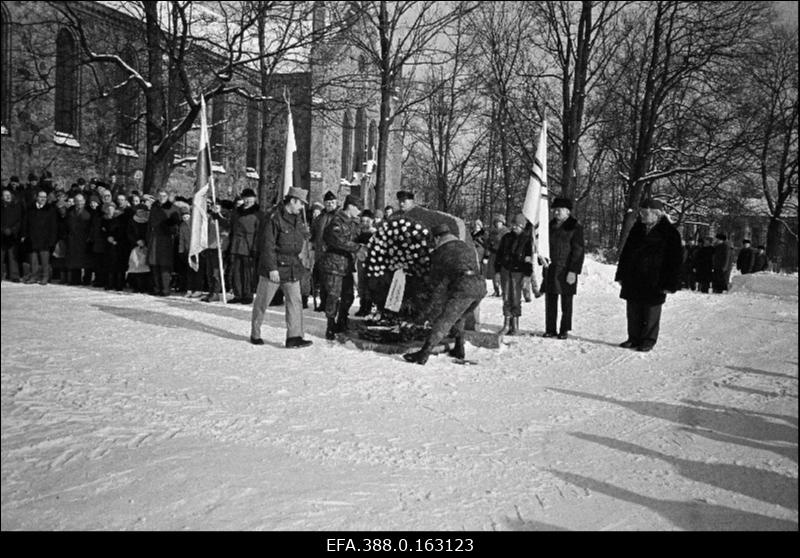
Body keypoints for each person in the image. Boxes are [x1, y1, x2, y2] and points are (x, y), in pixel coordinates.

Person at [403, 223, 487, 365]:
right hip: (480, 285)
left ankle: (424, 353)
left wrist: (427, 309)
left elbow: (436, 283)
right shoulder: (463, 246)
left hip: (464, 287)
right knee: (459, 316)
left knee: (445, 319)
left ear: (436, 238)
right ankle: (459, 348)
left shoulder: (441, 251)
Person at [614, 199, 682, 352]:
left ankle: (648, 340)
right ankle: (633, 338)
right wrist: (621, 274)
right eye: (641, 212)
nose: (642, 216)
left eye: (645, 213)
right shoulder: (637, 229)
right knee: (633, 310)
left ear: (656, 214)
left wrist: (670, 283)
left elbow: (675, 260)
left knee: (651, 311)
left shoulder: (670, 232)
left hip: (656, 279)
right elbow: (626, 253)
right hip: (634, 277)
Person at [250, 187, 313, 348]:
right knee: (262, 302)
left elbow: (299, 239)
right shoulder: (273, 218)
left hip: (292, 266)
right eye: (301, 204)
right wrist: (272, 268)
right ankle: (255, 333)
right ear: (292, 201)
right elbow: (267, 245)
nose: (302, 208)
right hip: (275, 268)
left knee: (295, 302)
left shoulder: (297, 219)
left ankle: (294, 337)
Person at [320, 194, 364, 340]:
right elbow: (337, 240)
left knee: (348, 296)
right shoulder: (336, 221)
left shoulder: (353, 223)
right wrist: (357, 247)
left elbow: (359, 235)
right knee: (333, 296)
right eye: (358, 208)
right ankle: (330, 325)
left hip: (347, 265)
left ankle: (342, 320)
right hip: (334, 264)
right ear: (350, 206)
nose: (360, 211)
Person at [541, 197, 585, 340]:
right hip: (551, 267)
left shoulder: (575, 227)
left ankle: (564, 329)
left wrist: (573, 271)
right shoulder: (549, 226)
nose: (556, 212)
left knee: (566, 301)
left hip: (566, 269)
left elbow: (578, 250)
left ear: (567, 212)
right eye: (555, 209)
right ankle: (550, 329)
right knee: (550, 300)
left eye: (559, 210)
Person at [495, 213, 533, 336]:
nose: (515, 227)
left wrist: (527, 274)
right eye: (514, 225)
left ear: (522, 226)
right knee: (506, 297)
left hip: (518, 272)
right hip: (506, 270)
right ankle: (506, 324)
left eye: (518, 225)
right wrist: (497, 271)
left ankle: (515, 325)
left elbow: (528, 258)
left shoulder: (527, 239)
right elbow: (499, 255)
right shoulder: (506, 237)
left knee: (516, 298)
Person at [226, 188, 262, 304]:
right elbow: (230, 227)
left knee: (247, 272)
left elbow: (259, 233)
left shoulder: (258, 213)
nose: (247, 200)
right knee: (236, 271)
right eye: (245, 198)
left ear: (254, 199)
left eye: (250, 198)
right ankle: (238, 294)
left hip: (249, 245)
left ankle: (247, 294)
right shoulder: (237, 212)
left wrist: (256, 248)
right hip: (236, 245)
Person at [146, 189, 181, 296]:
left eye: (164, 196)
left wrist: (168, 227)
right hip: (154, 238)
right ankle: (157, 288)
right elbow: (149, 224)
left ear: (168, 196)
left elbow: (176, 226)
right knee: (154, 264)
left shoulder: (173, 208)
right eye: (160, 196)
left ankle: (165, 289)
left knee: (164, 265)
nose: (162, 198)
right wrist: (147, 238)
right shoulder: (154, 207)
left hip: (166, 240)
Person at [22, 190, 59, 285]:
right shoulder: (30, 208)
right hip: (32, 237)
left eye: (45, 197)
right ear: (36, 197)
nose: (43, 199)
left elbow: (54, 226)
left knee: (44, 260)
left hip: (45, 239)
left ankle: (45, 277)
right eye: (41, 197)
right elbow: (25, 222)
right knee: (33, 260)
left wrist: (52, 239)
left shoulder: (50, 209)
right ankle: (34, 276)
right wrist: (24, 234)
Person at [311, 190, 338, 311]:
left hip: (333, 253)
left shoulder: (339, 216)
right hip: (320, 253)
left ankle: (332, 304)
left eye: (332, 202)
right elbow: (314, 233)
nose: (330, 205)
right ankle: (323, 302)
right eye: (328, 202)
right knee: (322, 280)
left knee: (332, 281)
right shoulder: (320, 218)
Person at [354, 209, 377, 316]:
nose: (365, 223)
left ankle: (368, 306)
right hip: (361, 260)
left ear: (372, 221)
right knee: (361, 283)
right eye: (363, 221)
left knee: (369, 284)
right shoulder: (359, 233)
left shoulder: (375, 233)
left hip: (371, 261)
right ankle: (362, 305)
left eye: (367, 221)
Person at [1, 188, 23, 282]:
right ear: (2, 197)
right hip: (1, 235)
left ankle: (14, 275)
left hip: (12, 235)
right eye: (5, 195)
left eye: (9, 194)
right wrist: (3, 229)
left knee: (12, 256)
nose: (7, 196)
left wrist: (13, 230)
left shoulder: (16, 206)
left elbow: (19, 220)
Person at [486, 214, 508, 297]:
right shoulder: (493, 232)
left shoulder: (506, 232)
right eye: (497, 222)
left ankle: (504, 291)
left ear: (503, 222)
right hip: (493, 254)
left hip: (502, 254)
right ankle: (496, 290)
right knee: (493, 273)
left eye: (500, 222)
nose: (498, 223)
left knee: (502, 273)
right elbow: (488, 243)